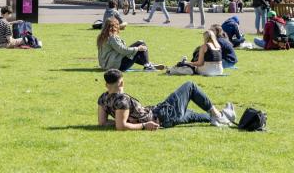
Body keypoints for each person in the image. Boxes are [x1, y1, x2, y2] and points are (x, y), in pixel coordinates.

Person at [97, 69, 233, 130]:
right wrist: (143, 125)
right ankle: (218, 115)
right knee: (189, 86)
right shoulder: (122, 101)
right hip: (162, 116)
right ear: (121, 83)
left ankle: (220, 118)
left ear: (106, 84)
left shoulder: (103, 98)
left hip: (159, 114)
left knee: (191, 114)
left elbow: (102, 122)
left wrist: (125, 120)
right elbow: (121, 126)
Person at [97, 18, 163, 71]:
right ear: (115, 27)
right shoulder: (112, 37)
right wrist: (137, 48)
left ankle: (147, 64)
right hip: (118, 65)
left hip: (106, 64)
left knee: (135, 50)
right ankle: (148, 65)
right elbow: (123, 50)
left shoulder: (101, 36)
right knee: (141, 44)